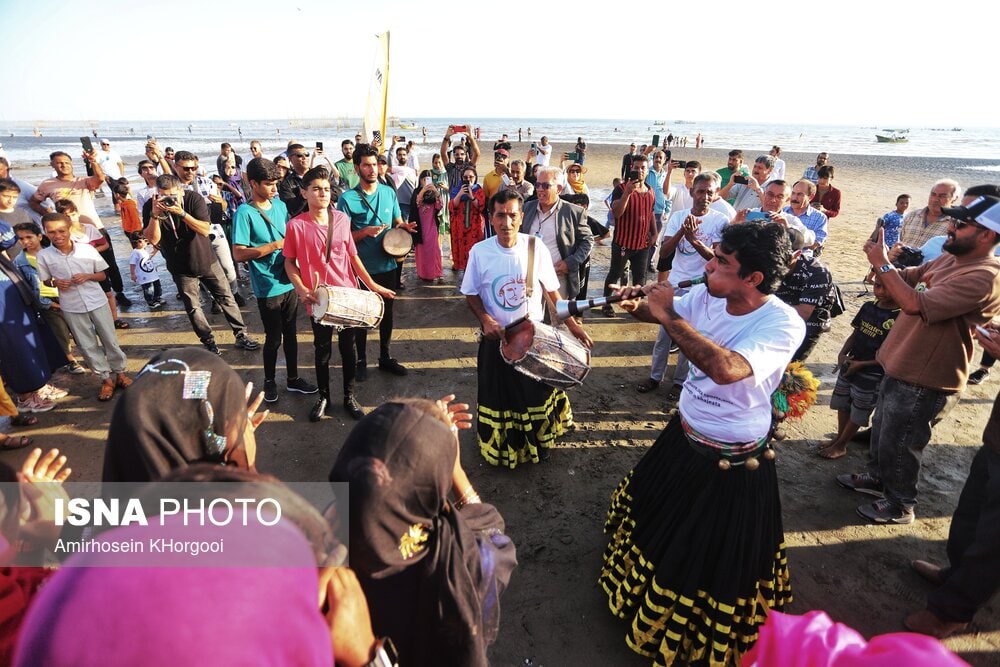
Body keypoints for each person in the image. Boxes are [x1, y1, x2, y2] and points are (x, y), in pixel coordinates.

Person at [601, 221, 805, 665]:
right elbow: (660, 312)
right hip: (686, 431)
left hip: (731, 460)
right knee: (659, 522)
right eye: (714, 256)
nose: (709, 265)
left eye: (722, 263)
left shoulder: (782, 323)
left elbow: (726, 368)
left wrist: (668, 314)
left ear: (752, 279)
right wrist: (638, 303)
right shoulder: (710, 294)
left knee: (710, 556)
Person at [839, 193, 1000, 524]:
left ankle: (900, 504)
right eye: (952, 220)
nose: (950, 227)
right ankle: (876, 479)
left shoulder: (985, 274)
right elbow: (913, 276)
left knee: (902, 444)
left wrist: (883, 265)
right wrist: (889, 261)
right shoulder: (954, 257)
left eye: (960, 223)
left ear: (986, 235)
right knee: (883, 431)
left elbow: (915, 304)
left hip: (927, 378)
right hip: (901, 363)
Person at [329, 397, 518, 666]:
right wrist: (453, 468)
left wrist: (422, 431)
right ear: (429, 490)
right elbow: (494, 533)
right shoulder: (460, 563)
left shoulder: (315, 564)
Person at [461, 189, 592, 467]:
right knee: (500, 398)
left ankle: (539, 443)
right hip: (496, 340)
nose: (506, 222)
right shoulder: (479, 252)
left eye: (512, 215)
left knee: (535, 394)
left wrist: (573, 325)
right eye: (500, 215)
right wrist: (485, 319)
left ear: (521, 217)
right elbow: (471, 293)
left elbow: (554, 297)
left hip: (535, 339)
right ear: (491, 218)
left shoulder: (536, 247)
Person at [904, 322, 1000, 639]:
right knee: (969, 514)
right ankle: (957, 575)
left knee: (993, 539)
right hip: (996, 441)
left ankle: (952, 612)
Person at [285, 166, 395, 422]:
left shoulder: (342, 220)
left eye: (326, 188)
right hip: (318, 297)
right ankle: (323, 397)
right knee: (322, 349)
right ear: (304, 193)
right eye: (316, 189)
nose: (323, 193)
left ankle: (349, 396)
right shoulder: (296, 226)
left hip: (346, 294)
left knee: (349, 349)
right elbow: (289, 262)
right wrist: (301, 289)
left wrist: (373, 286)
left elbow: (353, 257)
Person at [141, 173, 259, 356]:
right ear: (157, 193)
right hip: (179, 266)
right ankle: (209, 342)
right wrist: (155, 216)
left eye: (172, 195)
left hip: (206, 259)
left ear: (181, 190)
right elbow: (153, 239)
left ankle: (241, 335)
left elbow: (204, 229)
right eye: (163, 195)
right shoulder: (151, 206)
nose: (168, 200)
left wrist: (181, 213)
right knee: (193, 307)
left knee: (226, 297)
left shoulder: (193, 199)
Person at [231, 158, 318, 404]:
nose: (273, 188)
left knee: (291, 334)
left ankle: (292, 379)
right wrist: (274, 246)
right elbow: (238, 253)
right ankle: (269, 381)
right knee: (273, 337)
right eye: (268, 184)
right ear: (253, 183)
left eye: (276, 183)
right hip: (267, 284)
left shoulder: (279, 206)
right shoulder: (244, 213)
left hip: (290, 279)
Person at [639, 173, 732, 399]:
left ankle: (680, 382)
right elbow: (665, 252)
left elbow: (717, 259)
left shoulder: (720, 221)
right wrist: (683, 231)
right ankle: (655, 376)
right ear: (692, 192)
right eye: (701, 191)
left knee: (688, 337)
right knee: (664, 334)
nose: (705, 196)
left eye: (710, 192)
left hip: (701, 287)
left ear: (716, 193)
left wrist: (694, 240)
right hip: (675, 282)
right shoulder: (679, 215)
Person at [337, 144, 415, 379]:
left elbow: (396, 220)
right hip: (361, 267)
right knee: (362, 316)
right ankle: (361, 360)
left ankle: (385, 357)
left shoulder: (388, 192)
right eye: (367, 165)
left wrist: (403, 227)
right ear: (357, 167)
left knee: (387, 314)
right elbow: (342, 239)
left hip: (388, 264)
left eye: (375, 164)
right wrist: (365, 232)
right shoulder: (347, 199)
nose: (372, 169)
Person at [36, 213, 129, 402]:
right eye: (51, 232)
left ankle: (120, 374)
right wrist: (55, 283)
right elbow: (46, 280)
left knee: (110, 340)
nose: (57, 235)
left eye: (61, 230)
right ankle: (105, 379)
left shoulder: (87, 249)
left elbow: (102, 275)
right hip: (71, 305)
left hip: (97, 300)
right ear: (45, 233)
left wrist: (88, 276)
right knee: (87, 345)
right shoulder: (44, 256)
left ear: (70, 229)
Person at [30, 151, 131, 309]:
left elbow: (99, 179)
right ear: (52, 165)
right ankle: (97, 297)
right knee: (78, 266)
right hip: (68, 234)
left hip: (93, 228)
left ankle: (119, 292)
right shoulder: (47, 185)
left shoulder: (83, 181)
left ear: (72, 164)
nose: (63, 165)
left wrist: (93, 162)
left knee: (108, 264)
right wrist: (49, 215)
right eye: (58, 162)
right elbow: (34, 202)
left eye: (66, 162)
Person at [818, 276, 899, 459]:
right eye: (878, 286)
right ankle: (839, 438)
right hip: (851, 363)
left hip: (873, 372)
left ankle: (842, 444)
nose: (881, 292)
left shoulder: (899, 317)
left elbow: (892, 353)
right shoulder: (868, 307)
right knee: (843, 403)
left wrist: (862, 364)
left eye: (888, 287)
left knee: (859, 409)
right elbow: (855, 333)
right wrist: (842, 354)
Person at [13, 221, 85, 375]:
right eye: (21, 239)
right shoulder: (20, 262)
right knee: (61, 333)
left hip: (67, 295)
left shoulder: (53, 252)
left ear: (40, 236)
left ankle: (89, 354)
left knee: (80, 328)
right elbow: (28, 288)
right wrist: (47, 304)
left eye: (29, 237)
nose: (25, 242)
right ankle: (71, 360)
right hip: (48, 302)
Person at [520, 166, 593, 299]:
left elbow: (587, 241)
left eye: (546, 185)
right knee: (531, 316)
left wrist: (570, 262)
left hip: (557, 277)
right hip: (529, 276)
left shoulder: (574, 212)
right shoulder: (527, 208)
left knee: (557, 318)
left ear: (558, 189)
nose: (540, 189)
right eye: (537, 184)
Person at [602, 154, 655, 317]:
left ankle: (635, 306)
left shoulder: (650, 190)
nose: (639, 171)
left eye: (643, 168)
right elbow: (616, 213)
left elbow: (651, 213)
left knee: (640, 279)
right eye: (636, 167)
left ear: (647, 171)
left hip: (642, 244)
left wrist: (655, 233)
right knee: (615, 274)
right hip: (623, 243)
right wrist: (627, 194)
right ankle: (606, 304)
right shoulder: (620, 189)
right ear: (631, 168)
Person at [774, 224, 832, 362]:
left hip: (810, 322)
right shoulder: (767, 261)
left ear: (797, 254)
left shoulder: (817, 272)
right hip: (776, 313)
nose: (775, 260)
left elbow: (803, 313)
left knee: (790, 367)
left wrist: (761, 306)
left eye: (782, 256)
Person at [898, 179, 961, 248]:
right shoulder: (912, 216)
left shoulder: (955, 225)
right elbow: (901, 242)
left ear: (954, 199)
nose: (935, 199)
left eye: (942, 196)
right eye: (933, 194)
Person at [448, 167, 486, 272]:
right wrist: (460, 194)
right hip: (459, 227)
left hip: (475, 226)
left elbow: (481, 207)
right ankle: (465, 276)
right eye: (465, 177)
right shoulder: (457, 190)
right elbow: (452, 206)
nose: (468, 179)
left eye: (471, 177)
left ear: (475, 178)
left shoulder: (478, 190)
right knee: (462, 251)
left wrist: (471, 196)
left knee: (474, 252)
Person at [409, 170, 444, 282]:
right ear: (420, 180)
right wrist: (423, 190)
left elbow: (440, 206)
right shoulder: (417, 191)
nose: (426, 182)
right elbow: (416, 203)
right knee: (422, 250)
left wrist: (436, 191)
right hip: (420, 226)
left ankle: (437, 272)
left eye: (428, 179)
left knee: (434, 250)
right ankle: (423, 273)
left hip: (431, 225)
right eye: (424, 179)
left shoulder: (434, 193)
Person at [785, 179, 829, 252]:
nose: (794, 198)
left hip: (802, 257)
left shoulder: (819, 218)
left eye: (800, 194)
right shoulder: (783, 211)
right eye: (793, 193)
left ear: (810, 197)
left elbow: (815, 244)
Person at [127, 233, 163, 310]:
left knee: (157, 286)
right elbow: (132, 264)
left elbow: (148, 258)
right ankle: (150, 301)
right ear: (139, 242)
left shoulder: (144, 250)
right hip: (144, 275)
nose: (147, 243)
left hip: (151, 273)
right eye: (146, 241)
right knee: (148, 289)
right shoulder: (135, 252)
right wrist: (133, 274)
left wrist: (155, 251)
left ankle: (157, 297)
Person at [441, 125, 481, 192]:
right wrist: (447, 137)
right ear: (453, 156)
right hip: (454, 199)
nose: (459, 156)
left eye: (462, 154)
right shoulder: (450, 167)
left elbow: (477, 154)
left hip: (468, 198)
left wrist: (471, 137)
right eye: (457, 154)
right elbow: (443, 154)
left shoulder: (469, 166)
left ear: (465, 155)